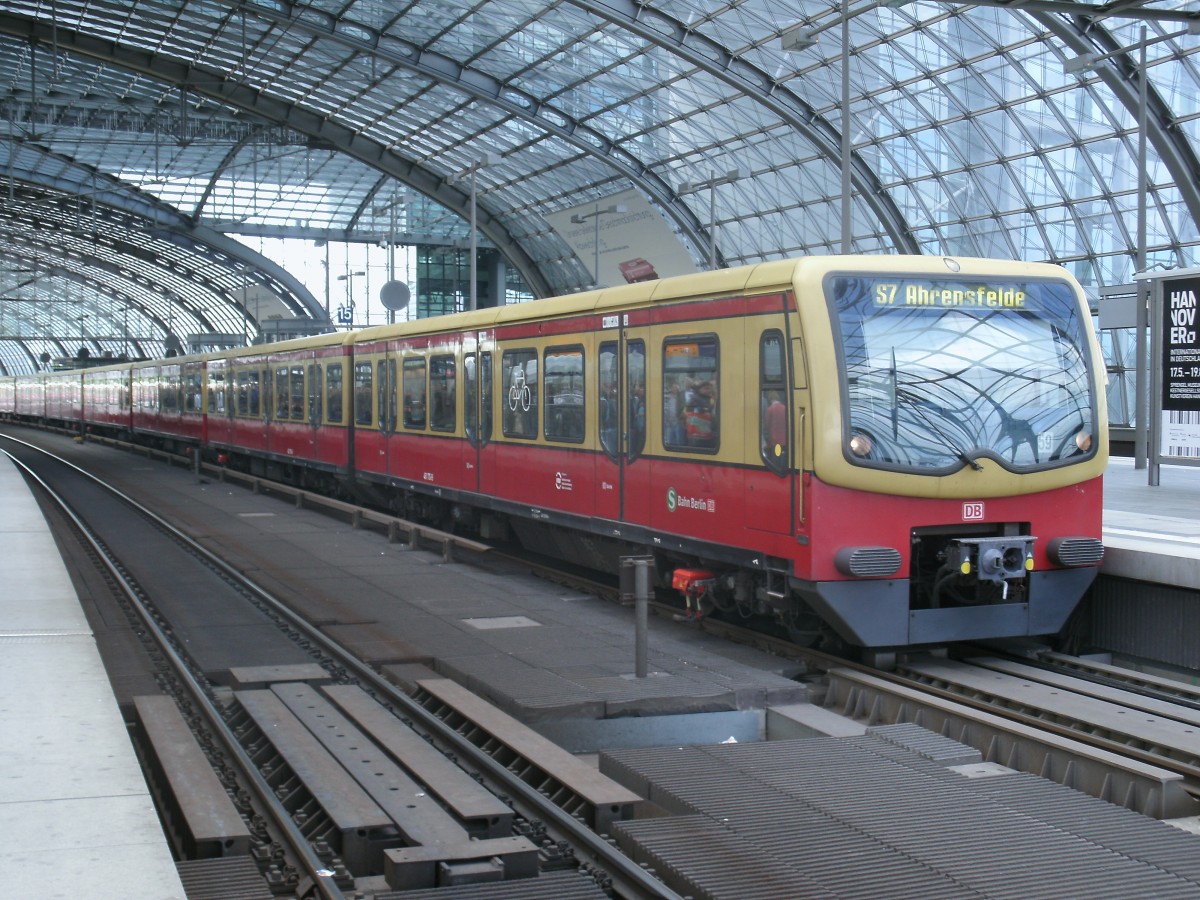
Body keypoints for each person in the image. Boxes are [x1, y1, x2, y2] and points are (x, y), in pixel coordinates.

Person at [764, 390, 787, 459]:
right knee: (783, 456)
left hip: (775, 440)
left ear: (770, 399)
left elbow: (767, 424)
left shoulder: (770, 409)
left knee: (777, 457)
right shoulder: (784, 408)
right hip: (785, 439)